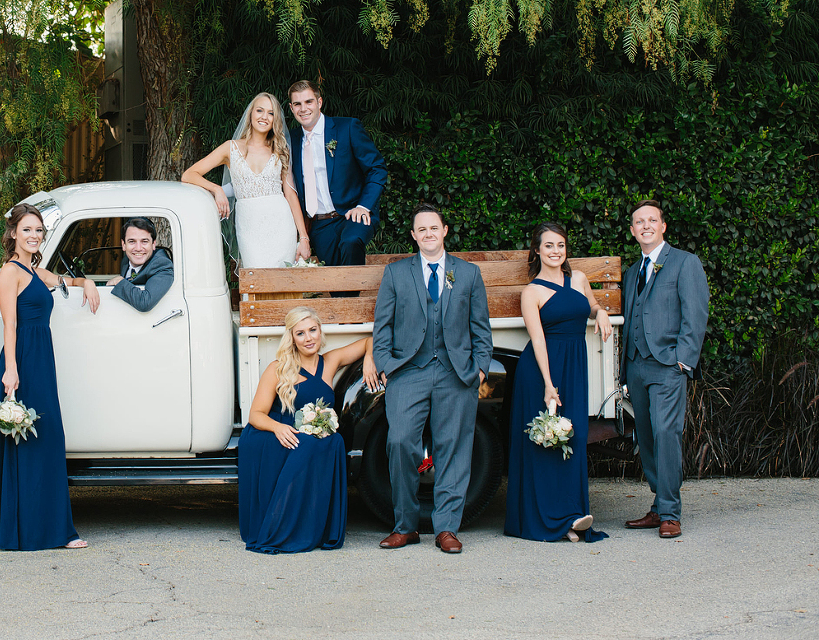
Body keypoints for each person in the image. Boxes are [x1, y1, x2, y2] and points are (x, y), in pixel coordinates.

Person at [372, 203, 492, 554]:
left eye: (433, 228)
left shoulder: (467, 274)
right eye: (421, 229)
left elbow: (481, 329)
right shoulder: (396, 274)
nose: (428, 234)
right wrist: (386, 364)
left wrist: (479, 368)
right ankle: (406, 526)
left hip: (456, 373)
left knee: (453, 448)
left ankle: (447, 529)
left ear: (444, 231)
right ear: (413, 235)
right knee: (399, 443)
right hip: (409, 371)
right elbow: (383, 327)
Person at [0, 203, 102, 550]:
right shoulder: (11, 273)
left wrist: (88, 282)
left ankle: (53, 529)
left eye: (38, 230)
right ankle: (31, 532)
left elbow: (66, 281)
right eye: (27, 230)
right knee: (28, 439)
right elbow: (10, 323)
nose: (34, 236)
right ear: (13, 234)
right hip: (22, 358)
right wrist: (10, 369)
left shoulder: (35, 270)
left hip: (41, 356)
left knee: (46, 436)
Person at [504, 222, 612, 543]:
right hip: (542, 371)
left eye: (561, 245)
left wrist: (601, 312)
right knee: (545, 443)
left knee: (572, 439)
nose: (556, 251)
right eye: (549, 245)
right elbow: (537, 339)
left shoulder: (577, 279)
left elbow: (590, 306)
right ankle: (549, 521)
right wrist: (549, 385)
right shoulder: (531, 292)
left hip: (575, 367)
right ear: (537, 250)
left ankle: (572, 516)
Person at [238, 306, 372, 553]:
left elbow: (368, 342)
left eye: (313, 330)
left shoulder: (330, 361)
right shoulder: (278, 368)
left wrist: (370, 362)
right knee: (311, 443)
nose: (309, 338)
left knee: (335, 442)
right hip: (272, 433)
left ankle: (315, 526)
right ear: (292, 338)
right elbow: (255, 415)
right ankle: (284, 527)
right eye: (301, 333)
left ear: (320, 331)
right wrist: (278, 428)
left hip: (308, 435)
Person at [619, 200, 710, 539]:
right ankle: (659, 506)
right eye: (639, 221)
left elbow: (696, 313)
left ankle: (671, 512)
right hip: (637, 368)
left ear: (662, 226)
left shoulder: (685, 263)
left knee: (666, 435)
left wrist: (683, 360)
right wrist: (625, 372)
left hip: (668, 367)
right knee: (646, 437)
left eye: (651, 220)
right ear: (632, 230)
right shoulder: (632, 272)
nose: (645, 225)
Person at [182, 92, 311, 268]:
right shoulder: (230, 148)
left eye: (271, 113)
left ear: (275, 119)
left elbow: (290, 194)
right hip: (249, 226)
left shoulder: (280, 150)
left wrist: (303, 237)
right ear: (251, 114)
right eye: (260, 110)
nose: (264, 117)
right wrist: (217, 190)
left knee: (284, 281)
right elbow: (189, 175)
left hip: (281, 225)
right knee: (254, 278)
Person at [287, 80, 389, 267]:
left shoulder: (347, 128)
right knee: (335, 281)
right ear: (291, 108)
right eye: (297, 104)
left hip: (353, 213)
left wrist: (364, 206)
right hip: (320, 223)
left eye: (309, 102)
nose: (303, 109)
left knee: (351, 242)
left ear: (319, 102)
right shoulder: (290, 140)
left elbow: (377, 168)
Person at [106, 217, 174, 312]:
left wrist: (119, 282)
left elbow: (145, 302)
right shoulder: (126, 261)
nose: (138, 248)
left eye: (144, 241)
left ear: (153, 244)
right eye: (132, 241)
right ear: (124, 245)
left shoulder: (162, 265)